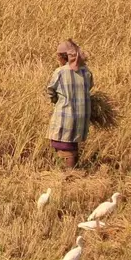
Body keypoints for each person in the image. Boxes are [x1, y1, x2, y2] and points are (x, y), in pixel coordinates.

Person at [46, 40, 93, 169]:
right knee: (72, 142)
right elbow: (89, 88)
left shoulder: (60, 72)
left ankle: (70, 174)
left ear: (63, 57)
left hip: (65, 113)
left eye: (58, 56)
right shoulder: (86, 71)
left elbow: (50, 91)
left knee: (64, 144)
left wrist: (55, 100)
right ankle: (72, 170)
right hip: (82, 114)